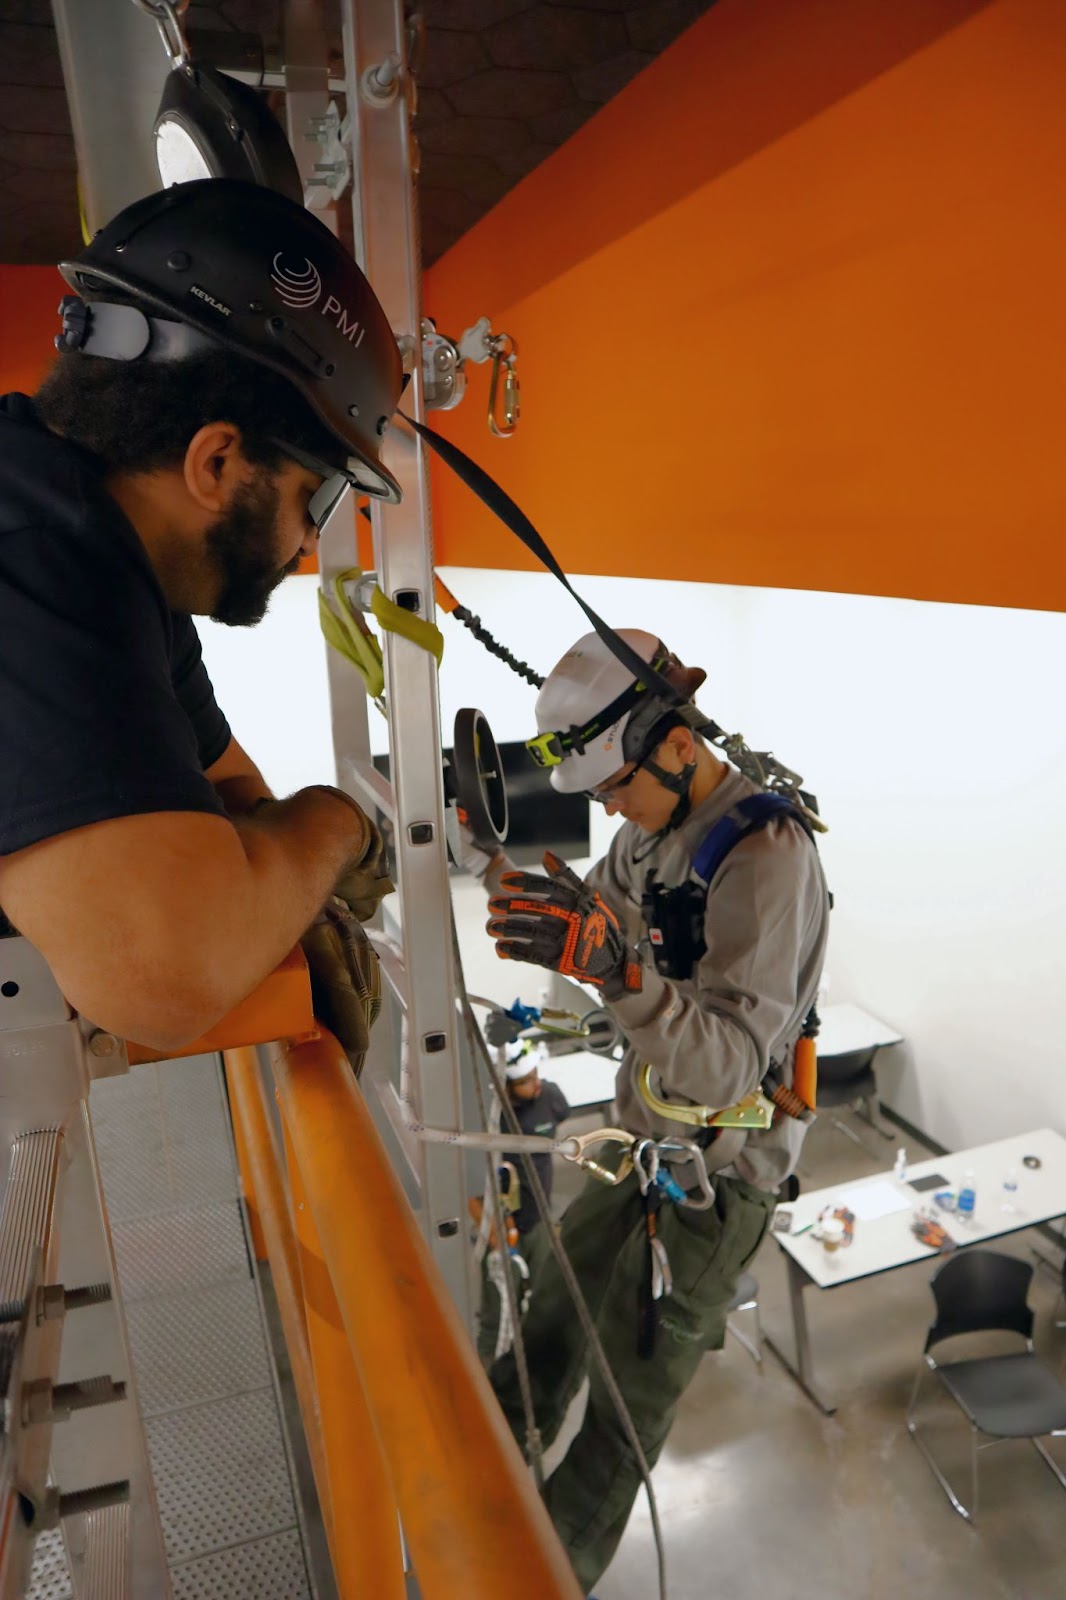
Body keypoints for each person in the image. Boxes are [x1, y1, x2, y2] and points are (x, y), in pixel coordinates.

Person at [0, 178, 404, 1056]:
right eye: (318, 496)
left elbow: (232, 795)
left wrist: (273, 890)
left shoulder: (110, 560)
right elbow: (165, 977)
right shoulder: (32, 561)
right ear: (217, 461)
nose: (307, 543)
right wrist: (337, 824)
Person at [465, 627, 830, 1593]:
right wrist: (524, 893)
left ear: (677, 743)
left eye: (614, 786)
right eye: (596, 797)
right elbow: (600, 933)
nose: (609, 811)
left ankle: (534, 1577)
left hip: (717, 1185)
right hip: (637, 1146)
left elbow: (721, 1070)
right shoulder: (647, 833)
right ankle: (469, 1490)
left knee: (624, 1415)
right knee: (550, 1308)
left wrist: (618, 974)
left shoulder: (768, 857)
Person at [475, 1041, 572, 1365]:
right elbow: (469, 1185)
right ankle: (487, 1384)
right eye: (525, 1081)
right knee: (499, 1315)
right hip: (504, 1232)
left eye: (535, 1075)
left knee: (544, 1303)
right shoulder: (488, 1118)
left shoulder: (551, 1098)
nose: (536, 1084)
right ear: (505, 1086)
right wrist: (494, 1234)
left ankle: (531, 1373)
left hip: (540, 1222)